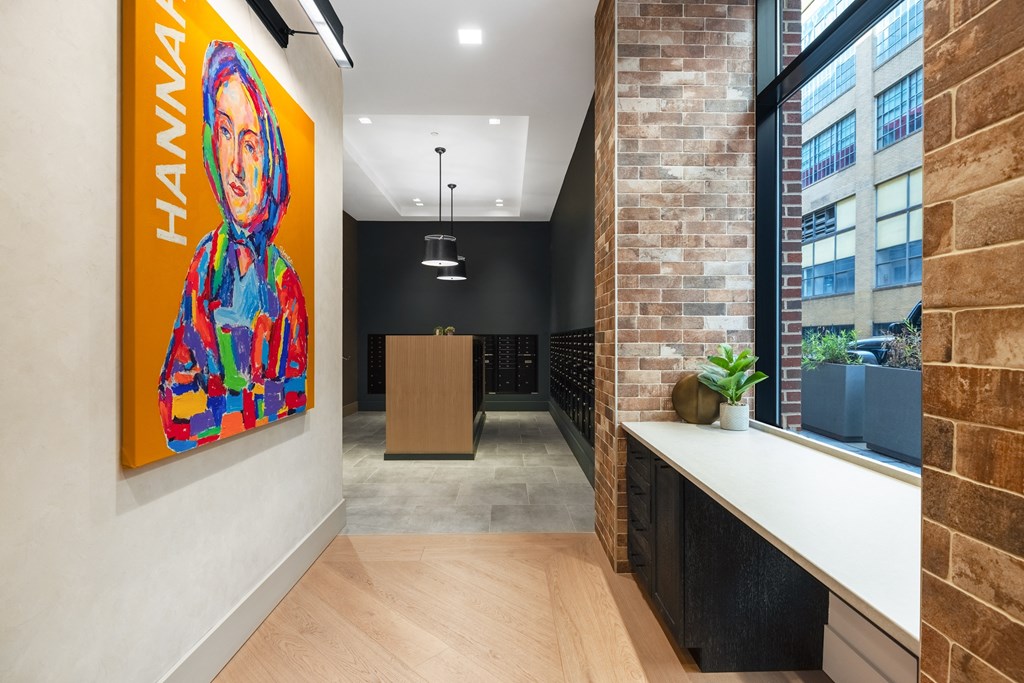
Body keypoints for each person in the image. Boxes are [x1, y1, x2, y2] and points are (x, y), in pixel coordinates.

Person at [158, 40, 308, 453]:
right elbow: (172, 406)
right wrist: (246, 406)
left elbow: (293, 395)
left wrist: (216, 402)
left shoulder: (284, 284)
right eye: (225, 132)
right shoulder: (206, 265)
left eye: (250, 143)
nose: (236, 166)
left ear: (271, 161)